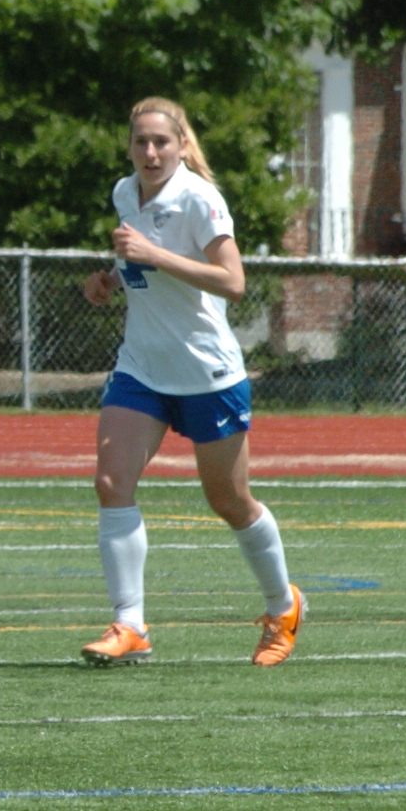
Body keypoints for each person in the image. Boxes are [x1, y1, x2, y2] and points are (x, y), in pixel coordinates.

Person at [78, 98, 303, 668]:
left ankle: (283, 607)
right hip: (142, 369)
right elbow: (137, 263)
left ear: (181, 146)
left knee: (229, 501)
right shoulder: (125, 193)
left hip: (207, 374)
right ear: (129, 146)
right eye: (140, 141)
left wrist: (152, 255)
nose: (150, 152)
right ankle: (130, 626)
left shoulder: (200, 199)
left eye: (161, 142)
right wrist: (109, 281)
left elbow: (233, 281)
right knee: (111, 482)